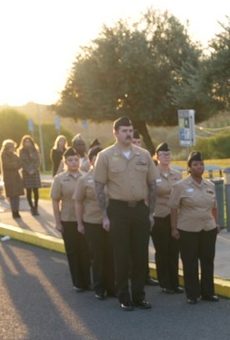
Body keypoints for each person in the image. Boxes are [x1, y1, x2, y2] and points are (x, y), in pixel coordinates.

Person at [92, 116, 156, 311]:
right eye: (124, 131)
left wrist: (150, 212)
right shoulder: (105, 156)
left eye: (130, 130)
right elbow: (99, 186)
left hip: (139, 209)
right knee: (121, 254)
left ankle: (138, 296)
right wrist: (104, 215)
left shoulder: (143, 155)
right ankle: (123, 296)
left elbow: (152, 184)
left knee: (140, 254)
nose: (129, 134)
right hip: (118, 210)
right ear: (116, 133)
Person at [170, 151, 219, 304]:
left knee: (207, 261)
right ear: (189, 168)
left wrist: (216, 223)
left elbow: (214, 207)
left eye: (201, 164)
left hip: (208, 228)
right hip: (188, 229)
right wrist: (174, 228)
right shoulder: (180, 186)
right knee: (190, 262)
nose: (199, 167)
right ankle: (192, 294)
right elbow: (173, 208)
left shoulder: (210, 185)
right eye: (195, 164)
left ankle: (208, 292)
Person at [75, 145, 114, 300]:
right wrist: (79, 224)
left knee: (111, 255)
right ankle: (99, 288)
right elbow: (78, 202)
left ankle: (112, 287)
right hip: (92, 222)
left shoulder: (112, 179)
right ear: (91, 161)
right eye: (96, 159)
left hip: (111, 222)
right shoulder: (84, 180)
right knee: (97, 255)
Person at [51, 147, 92, 292]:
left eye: (76, 159)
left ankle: (88, 281)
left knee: (86, 251)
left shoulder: (86, 176)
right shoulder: (60, 179)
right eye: (70, 160)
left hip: (85, 218)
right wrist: (57, 222)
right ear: (65, 161)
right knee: (73, 252)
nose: (74, 162)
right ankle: (78, 283)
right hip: (68, 220)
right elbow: (55, 201)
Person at [151, 142, 183, 294]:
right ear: (156, 157)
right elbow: (147, 196)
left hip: (174, 216)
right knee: (162, 250)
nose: (166, 157)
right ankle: (165, 283)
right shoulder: (151, 174)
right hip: (159, 215)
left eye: (168, 154)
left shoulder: (177, 174)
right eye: (162, 154)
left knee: (174, 250)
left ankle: (175, 282)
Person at [0, 139, 24, 219]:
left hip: (16, 176)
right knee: (12, 195)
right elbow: (6, 165)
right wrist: (14, 165)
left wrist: (15, 165)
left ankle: (17, 210)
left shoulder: (15, 155)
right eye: (10, 146)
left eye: (13, 146)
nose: (12, 148)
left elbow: (20, 163)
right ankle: (14, 211)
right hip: (9, 177)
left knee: (17, 195)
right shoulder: (4, 154)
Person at [19, 134, 42, 216]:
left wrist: (34, 169)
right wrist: (28, 170)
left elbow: (38, 161)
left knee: (36, 191)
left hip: (35, 172)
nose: (27, 143)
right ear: (23, 143)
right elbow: (22, 162)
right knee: (28, 191)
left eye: (29, 142)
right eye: (26, 142)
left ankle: (36, 207)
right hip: (27, 173)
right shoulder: (21, 151)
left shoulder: (35, 150)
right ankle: (31, 207)